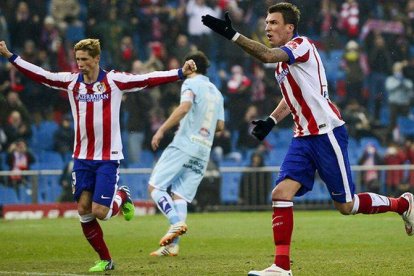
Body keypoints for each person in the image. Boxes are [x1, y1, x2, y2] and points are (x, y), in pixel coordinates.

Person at [202, 3, 414, 276]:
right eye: (266, 22)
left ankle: (403, 204)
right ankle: (281, 267)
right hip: (302, 137)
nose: (267, 27)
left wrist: (232, 35)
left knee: (346, 206)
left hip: (327, 133)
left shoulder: (302, 45)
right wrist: (271, 120)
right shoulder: (283, 64)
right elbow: (293, 97)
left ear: (290, 28)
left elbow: (266, 55)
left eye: (274, 23)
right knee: (280, 194)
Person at [0, 38, 197, 272]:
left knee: (100, 212)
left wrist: (179, 73)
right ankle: (106, 260)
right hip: (82, 157)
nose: (80, 64)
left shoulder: (113, 81)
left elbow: (146, 79)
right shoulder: (72, 83)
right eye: (78, 60)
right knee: (83, 209)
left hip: (107, 157)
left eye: (84, 59)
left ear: (96, 59)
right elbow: (42, 75)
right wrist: (11, 56)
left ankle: (122, 196)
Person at [147, 51, 224, 257]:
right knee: (179, 196)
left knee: (155, 187)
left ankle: (175, 222)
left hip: (185, 143)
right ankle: (172, 245)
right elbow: (220, 126)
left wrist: (162, 129)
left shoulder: (190, 84)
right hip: (203, 149)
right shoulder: (217, 92)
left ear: (193, 67)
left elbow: (185, 107)